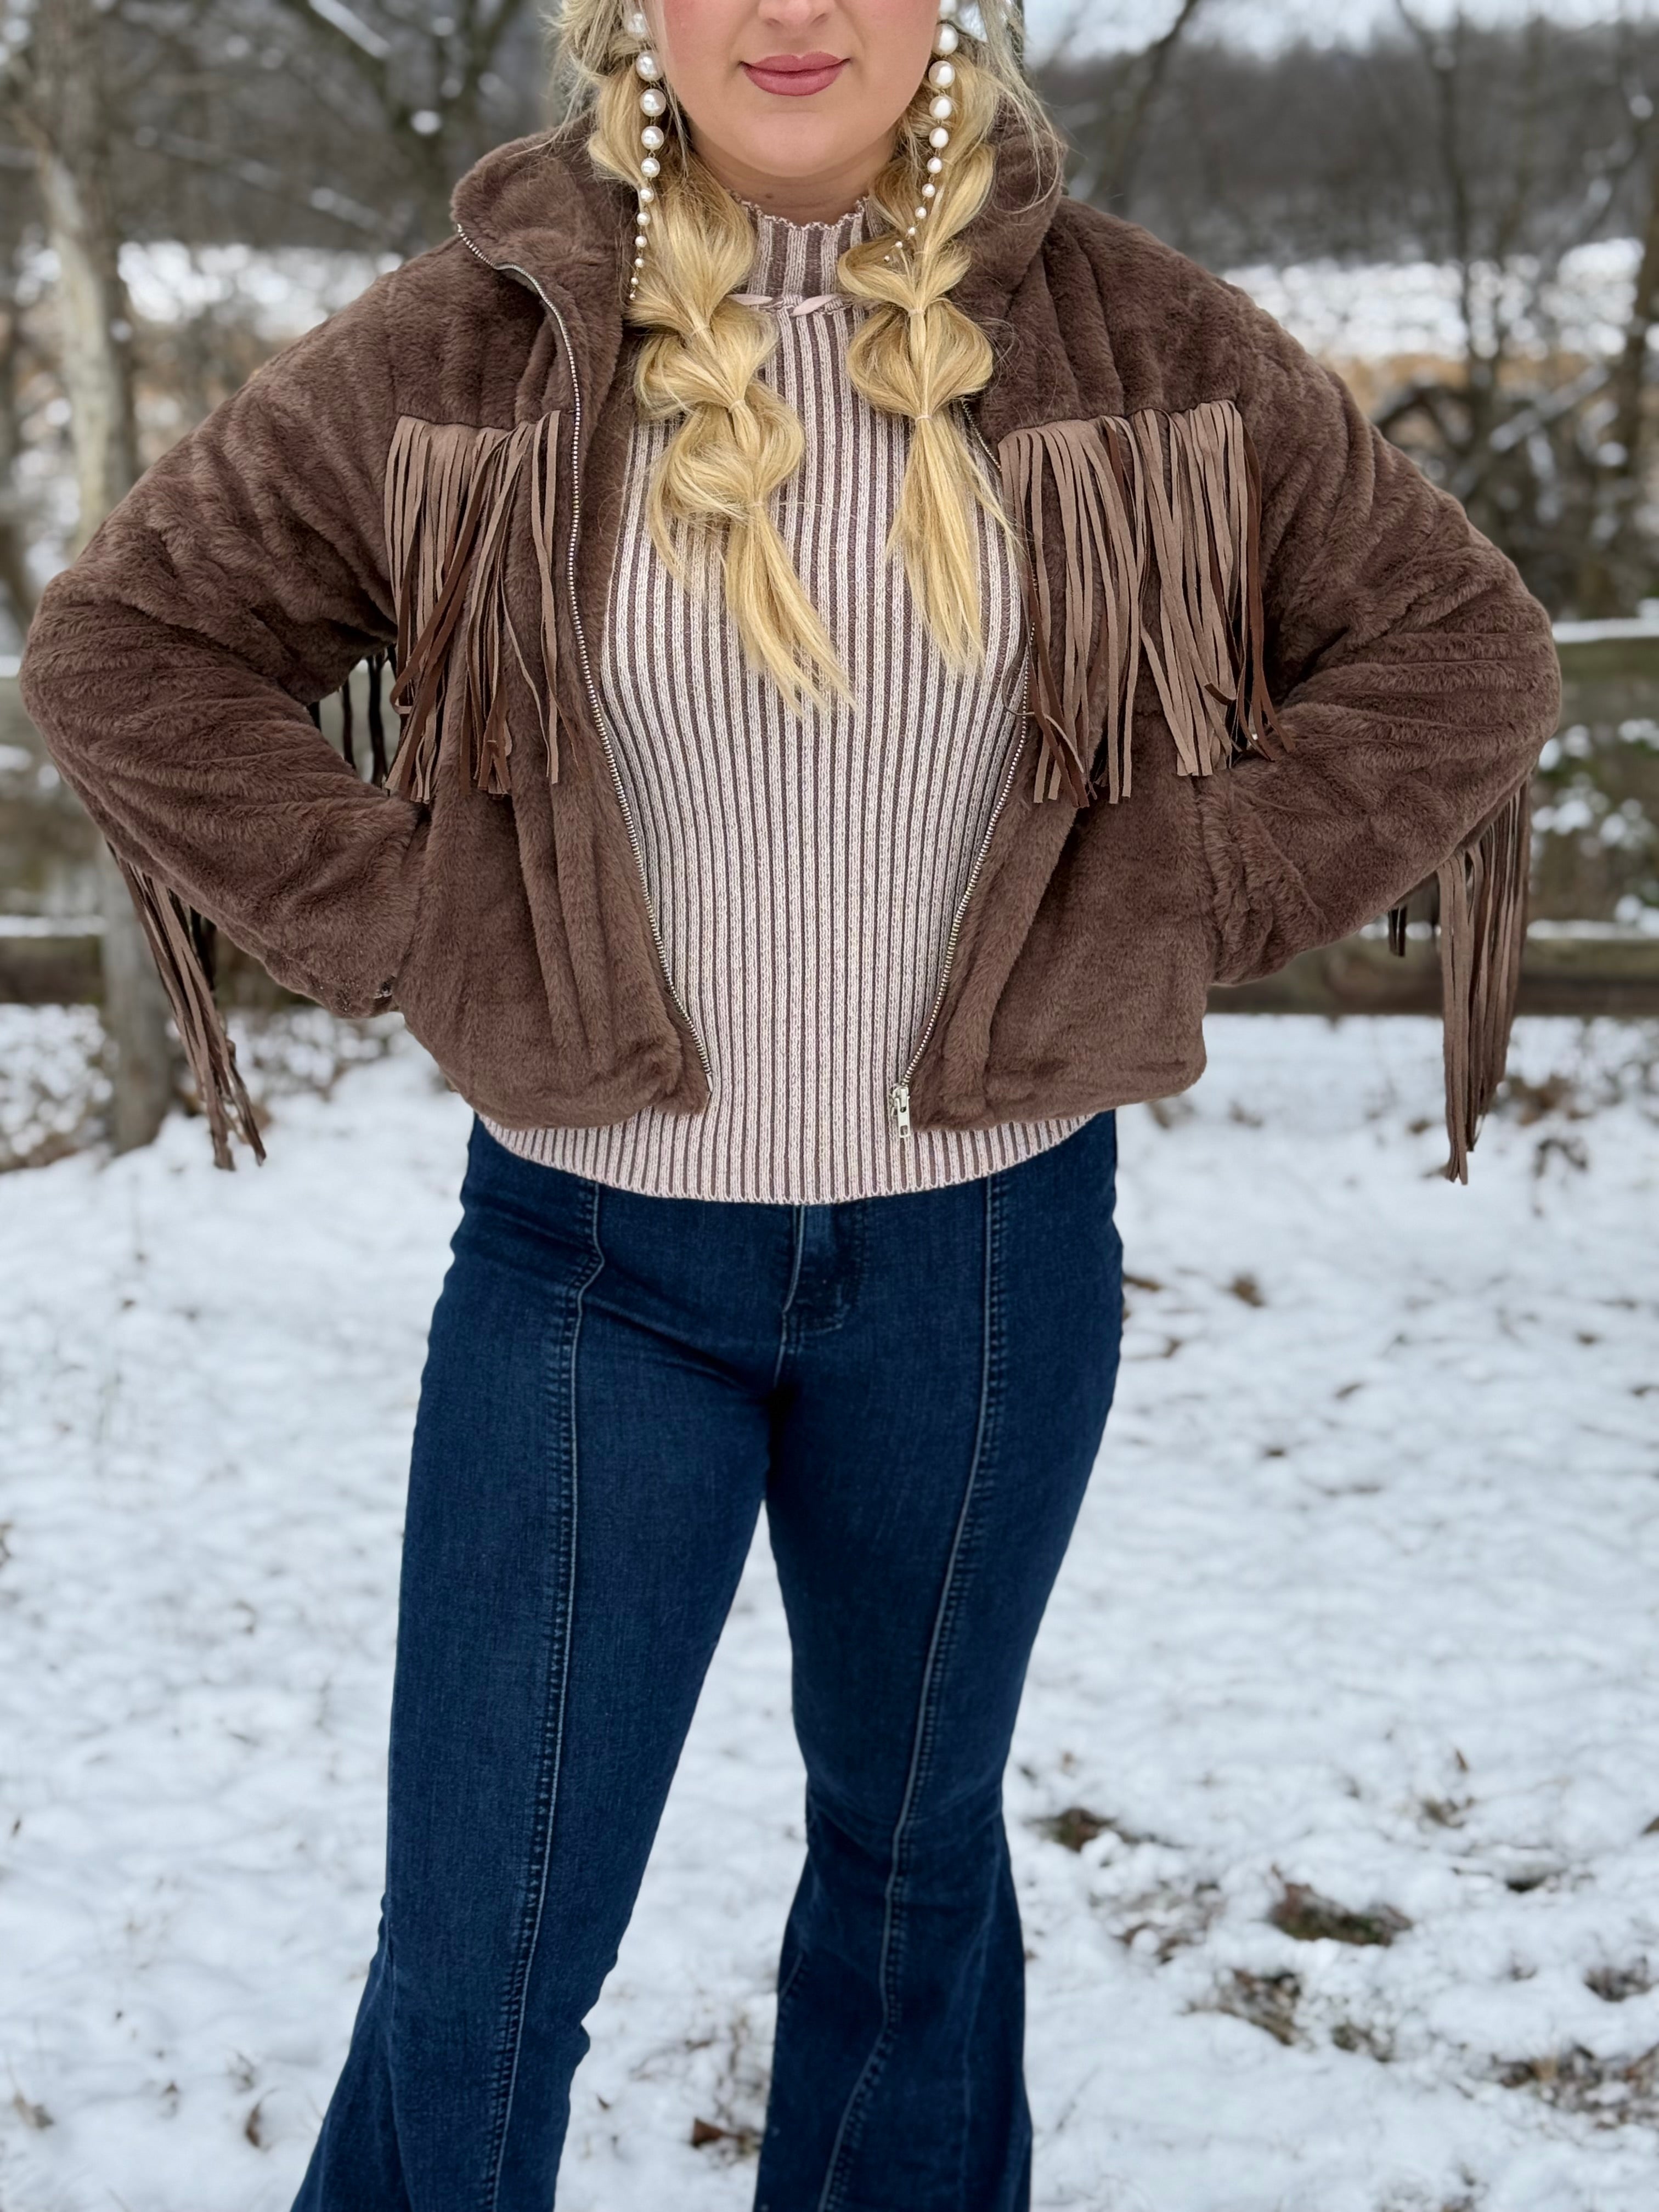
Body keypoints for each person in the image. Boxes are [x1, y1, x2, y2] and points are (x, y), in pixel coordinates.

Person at [18, 0, 1561, 2203]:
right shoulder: (476, 346)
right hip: (588, 1265)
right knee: (487, 1937)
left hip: (986, 1267)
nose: (796, 12)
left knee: (914, 1872)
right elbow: (128, 647)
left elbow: (1460, 654)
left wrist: (1176, 891)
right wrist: (415, 917)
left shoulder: (1138, 340)